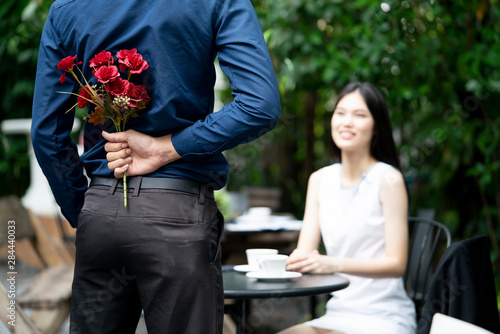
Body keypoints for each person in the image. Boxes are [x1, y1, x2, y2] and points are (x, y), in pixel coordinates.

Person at [31, 1, 280, 333]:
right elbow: (259, 105)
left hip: (102, 216)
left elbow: (47, 133)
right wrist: (167, 148)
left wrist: (85, 208)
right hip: (176, 216)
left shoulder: (67, 7)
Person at [278, 82, 416, 334]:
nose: (346, 122)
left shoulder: (388, 179)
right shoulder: (319, 180)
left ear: (376, 127)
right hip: (337, 313)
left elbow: (397, 264)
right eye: (340, 113)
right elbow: (305, 252)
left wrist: (333, 264)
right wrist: (294, 262)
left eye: (360, 115)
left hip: (383, 315)